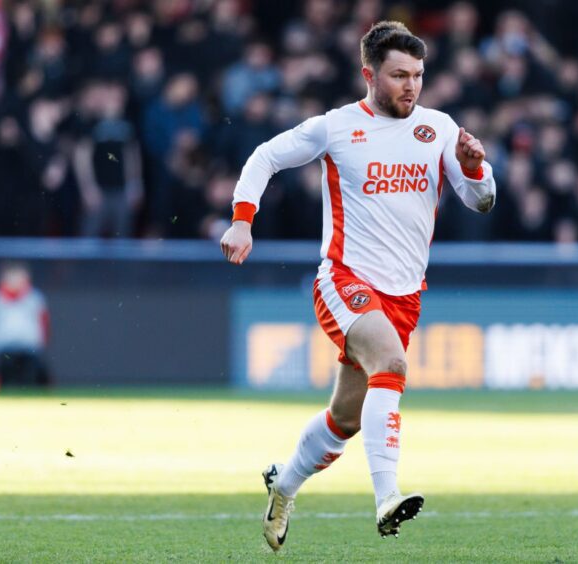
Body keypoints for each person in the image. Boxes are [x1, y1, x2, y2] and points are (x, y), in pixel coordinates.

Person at [219, 21, 496, 552]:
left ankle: (284, 484)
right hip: (345, 280)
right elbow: (265, 157)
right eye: (398, 75)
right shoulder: (337, 127)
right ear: (369, 74)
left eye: (417, 75)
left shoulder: (438, 128)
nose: (410, 86)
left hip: (404, 296)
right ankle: (386, 496)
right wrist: (241, 219)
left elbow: (480, 201)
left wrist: (476, 169)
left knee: (344, 421)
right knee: (391, 366)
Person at [0, 262, 50, 387]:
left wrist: (41, 344)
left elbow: (43, 323)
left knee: (30, 380)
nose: (15, 280)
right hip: (2, 349)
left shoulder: (35, 298)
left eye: (19, 276)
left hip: (29, 349)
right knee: (5, 380)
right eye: (11, 276)